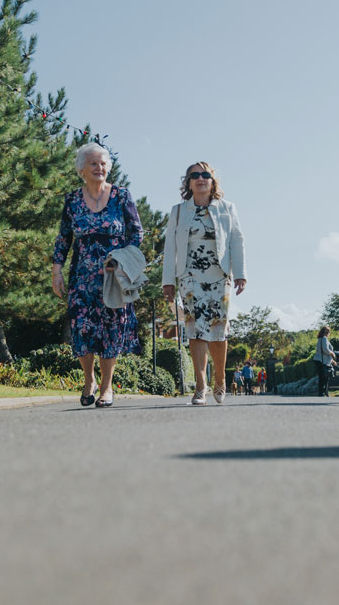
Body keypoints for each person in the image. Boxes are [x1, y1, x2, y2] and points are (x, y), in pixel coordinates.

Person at [51, 142, 143, 408]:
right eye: (93, 163)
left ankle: (106, 387)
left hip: (113, 274)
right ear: (82, 169)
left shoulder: (121, 196)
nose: (99, 167)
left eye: (103, 163)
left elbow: (135, 232)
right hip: (82, 275)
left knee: (111, 329)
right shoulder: (72, 200)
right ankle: (88, 379)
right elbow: (63, 237)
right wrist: (57, 270)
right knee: (82, 328)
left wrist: (123, 259)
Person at [160, 162, 246, 405]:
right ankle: (200, 385)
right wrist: (168, 281)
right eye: (194, 175)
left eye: (205, 174)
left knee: (219, 330)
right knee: (195, 329)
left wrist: (240, 273)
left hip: (219, 275)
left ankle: (220, 378)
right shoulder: (178, 211)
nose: (200, 178)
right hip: (189, 276)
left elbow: (237, 242)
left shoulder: (227, 209)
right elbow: (170, 249)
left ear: (212, 181)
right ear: (188, 182)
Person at [313, 326, 338, 397]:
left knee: (322, 377)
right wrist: (332, 353)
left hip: (320, 360)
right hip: (322, 362)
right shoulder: (324, 339)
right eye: (327, 332)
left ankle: (324, 392)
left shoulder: (320, 339)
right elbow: (325, 350)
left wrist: (332, 361)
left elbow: (323, 353)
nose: (328, 333)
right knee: (324, 377)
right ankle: (323, 393)